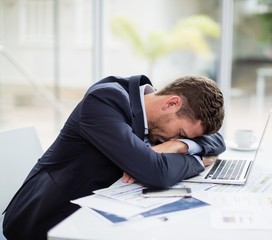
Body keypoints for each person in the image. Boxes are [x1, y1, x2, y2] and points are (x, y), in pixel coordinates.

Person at [2, 74, 225, 240]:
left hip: (100, 213)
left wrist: (178, 145)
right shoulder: (104, 101)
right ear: (172, 103)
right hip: (48, 219)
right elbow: (156, 172)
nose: (175, 138)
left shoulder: (159, 115)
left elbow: (217, 142)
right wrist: (197, 160)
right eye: (181, 133)